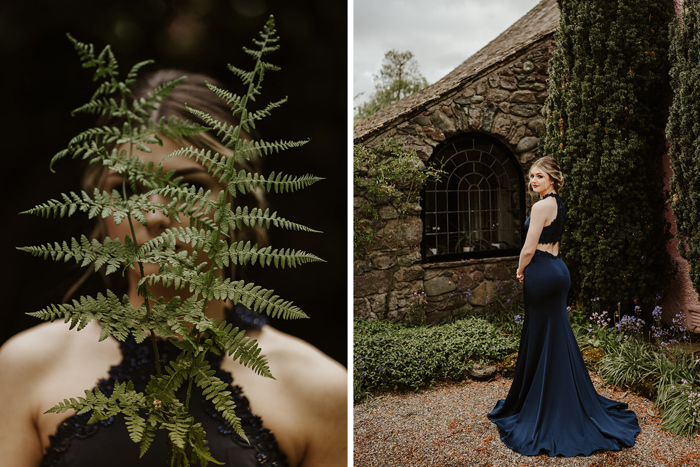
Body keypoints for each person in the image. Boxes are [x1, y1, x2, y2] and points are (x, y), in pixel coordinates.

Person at [0, 70, 347, 467]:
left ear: (237, 201)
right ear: (99, 207)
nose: (154, 215)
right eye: (125, 189)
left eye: (191, 187)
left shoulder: (319, 390)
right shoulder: (27, 364)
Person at [487, 156, 639, 457]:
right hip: (558, 269)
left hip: (541, 271)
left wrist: (520, 269)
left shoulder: (540, 206)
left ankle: (546, 404)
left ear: (552, 179)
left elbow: (529, 247)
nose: (533, 181)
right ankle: (563, 395)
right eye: (531, 176)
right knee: (556, 334)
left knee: (542, 333)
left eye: (539, 176)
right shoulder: (558, 204)